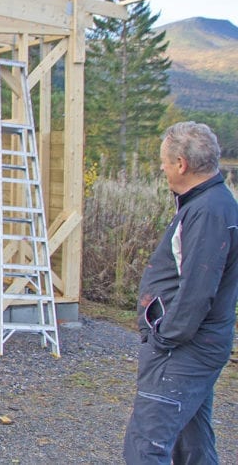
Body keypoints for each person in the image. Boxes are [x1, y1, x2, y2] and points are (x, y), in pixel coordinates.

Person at [123, 122, 238, 464]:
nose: (162, 168)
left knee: (146, 447)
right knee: (193, 448)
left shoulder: (208, 211)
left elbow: (197, 292)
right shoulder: (212, 203)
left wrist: (165, 337)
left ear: (182, 164)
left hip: (184, 351)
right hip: (197, 347)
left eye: (164, 161)